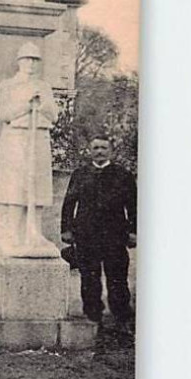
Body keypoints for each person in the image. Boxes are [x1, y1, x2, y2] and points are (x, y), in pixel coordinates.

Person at [60, 134, 137, 329]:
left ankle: (121, 318)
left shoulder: (123, 175)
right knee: (89, 277)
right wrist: (66, 229)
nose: (100, 152)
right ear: (90, 151)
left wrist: (134, 231)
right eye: (96, 148)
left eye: (103, 148)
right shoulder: (80, 174)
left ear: (111, 150)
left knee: (117, 277)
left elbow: (134, 206)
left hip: (115, 236)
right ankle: (93, 317)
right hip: (87, 235)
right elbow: (69, 204)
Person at [0, 42, 59, 256]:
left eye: (35, 59)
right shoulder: (8, 85)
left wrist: (43, 103)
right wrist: (26, 102)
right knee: (16, 185)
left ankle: (34, 231)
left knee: (38, 186)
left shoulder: (44, 86)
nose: (31, 63)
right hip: (17, 136)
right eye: (27, 59)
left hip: (38, 135)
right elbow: (5, 114)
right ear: (19, 61)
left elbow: (54, 115)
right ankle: (13, 233)